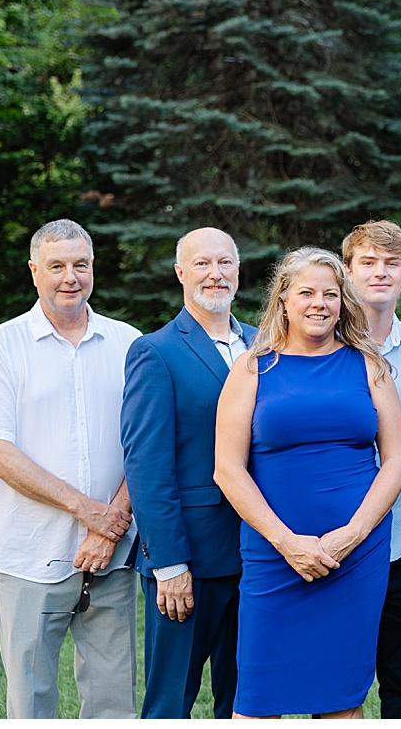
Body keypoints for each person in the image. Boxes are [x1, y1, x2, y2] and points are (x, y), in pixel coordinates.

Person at [213, 246, 401, 718]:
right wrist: (287, 542)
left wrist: (353, 534)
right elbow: (227, 469)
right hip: (273, 554)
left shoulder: (369, 364)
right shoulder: (252, 368)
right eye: (306, 292)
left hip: (355, 557)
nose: (319, 303)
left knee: (343, 698)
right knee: (257, 702)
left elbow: (398, 461)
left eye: (331, 293)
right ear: (283, 300)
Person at [0, 220, 139, 719]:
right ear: (34, 271)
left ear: (94, 269)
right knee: (31, 700)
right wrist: (88, 512)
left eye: (81, 265)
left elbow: (144, 446)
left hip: (113, 553)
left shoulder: (128, 343)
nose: (71, 277)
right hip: (31, 554)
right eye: (57, 266)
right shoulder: (2, 344)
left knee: (114, 701)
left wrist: (109, 526)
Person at [120, 228, 256, 719]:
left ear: (238, 272)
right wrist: (171, 565)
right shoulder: (155, 352)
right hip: (189, 561)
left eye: (224, 263)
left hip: (259, 553)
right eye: (201, 264)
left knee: (247, 701)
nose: (214, 274)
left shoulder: (265, 345)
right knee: (169, 703)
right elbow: (146, 465)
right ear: (181, 273)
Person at [342, 221, 401, 720]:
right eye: (368, 262)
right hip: (335, 540)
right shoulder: (322, 349)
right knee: (340, 687)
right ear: (348, 272)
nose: (380, 273)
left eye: (391, 263)